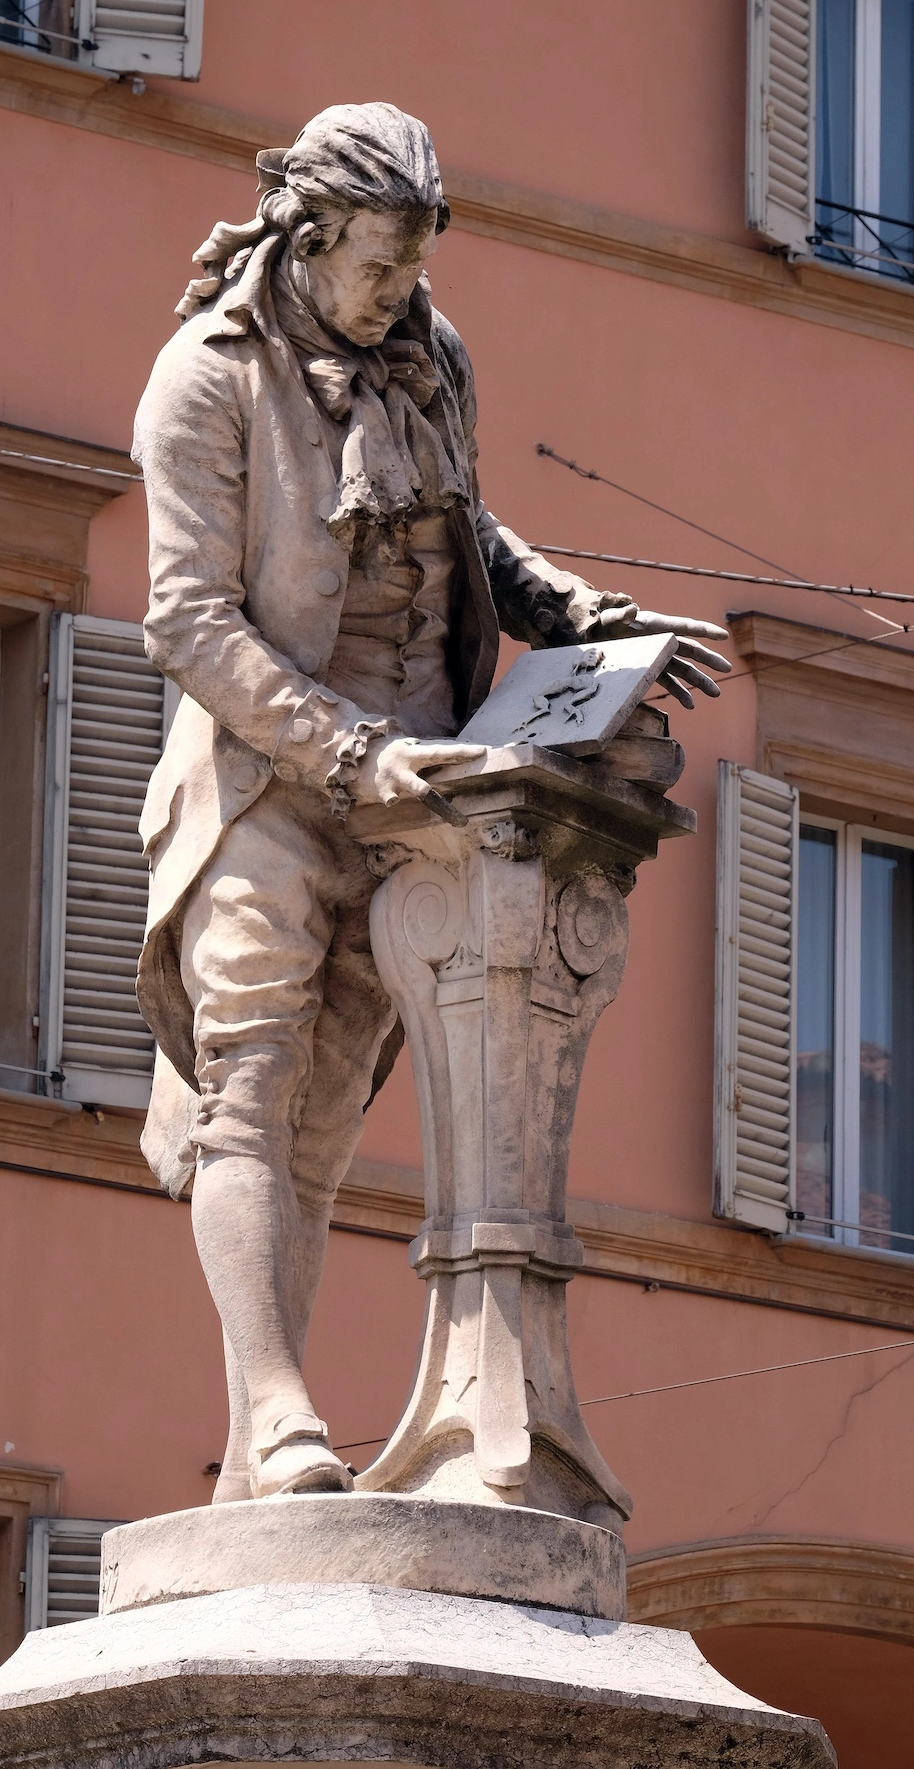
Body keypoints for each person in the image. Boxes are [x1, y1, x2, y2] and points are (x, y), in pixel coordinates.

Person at [133, 103, 729, 1500]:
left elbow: (465, 525)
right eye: (377, 266)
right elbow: (188, 620)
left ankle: (259, 1459)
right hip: (269, 778)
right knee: (249, 1089)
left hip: (423, 792)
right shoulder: (207, 378)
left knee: (325, 1125)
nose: (399, 290)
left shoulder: (431, 356)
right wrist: (344, 751)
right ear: (309, 235)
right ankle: (277, 1417)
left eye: (414, 264)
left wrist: (580, 615)